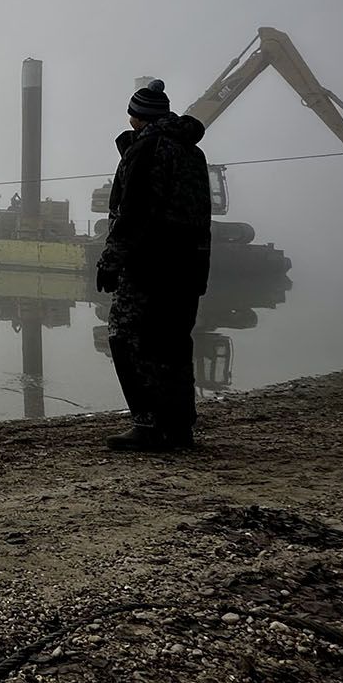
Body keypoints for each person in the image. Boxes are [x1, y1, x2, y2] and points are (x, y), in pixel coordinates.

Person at [94, 79, 212, 451]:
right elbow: (202, 215)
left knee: (125, 336)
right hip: (188, 265)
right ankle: (179, 427)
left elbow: (134, 213)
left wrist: (110, 261)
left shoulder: (148, 149)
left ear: (137, 117)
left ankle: (148, 424)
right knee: (174, 342)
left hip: (150, 264)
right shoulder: (193, 153)